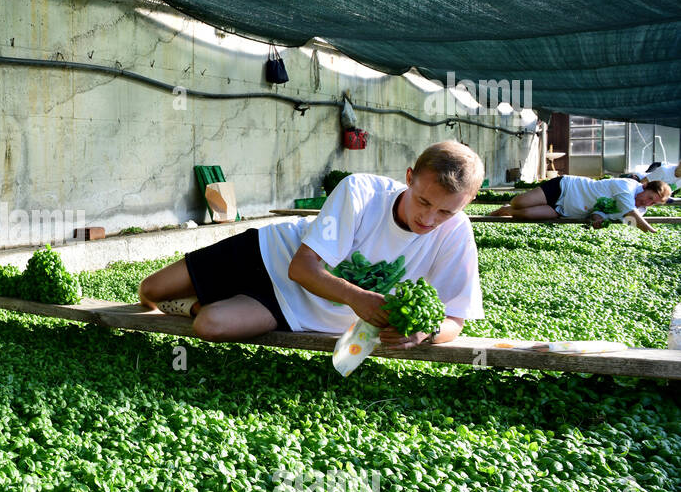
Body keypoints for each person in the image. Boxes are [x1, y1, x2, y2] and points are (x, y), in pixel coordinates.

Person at [138, 141, 485, 349]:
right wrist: (357, 297)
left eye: (445, 211)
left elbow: (454, 318)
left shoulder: (456, 232)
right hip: (267, 253)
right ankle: (203, 291)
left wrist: (426, 333)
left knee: (210, 325)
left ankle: (199, 304)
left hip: (295, 306)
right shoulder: (361, 191)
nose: (429, 219)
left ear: (466, 204)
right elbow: (301, 268)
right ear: (409, 178)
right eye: (423, 202)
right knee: (151, 292)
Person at [487, 175, 671, 232]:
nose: (646, 202)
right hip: (565, 188)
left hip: (567, 209)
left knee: (525, 215)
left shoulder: (640, 211)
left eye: (652, 203)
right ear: (645, 186)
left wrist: (597, 218)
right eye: (649, 197)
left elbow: (610, 215)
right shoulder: (627, 186)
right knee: (519, 202)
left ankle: (506, 211)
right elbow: (627, 210)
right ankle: (510, 206)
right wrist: (651, 231)